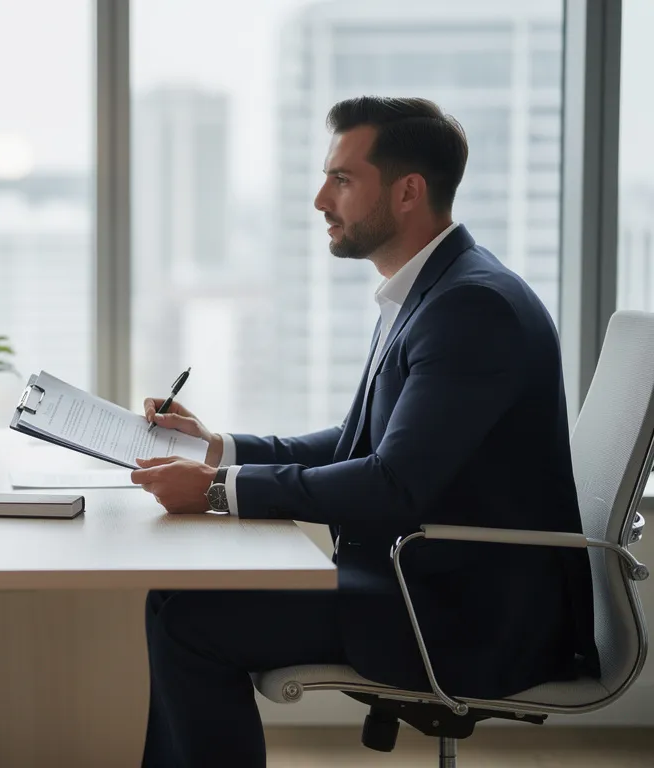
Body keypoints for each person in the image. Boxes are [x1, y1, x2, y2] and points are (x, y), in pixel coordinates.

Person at [129, 97, 598, 768]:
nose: (321, 198)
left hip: (464, 612)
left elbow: (392, 483)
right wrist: (219, 450)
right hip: (428, 582)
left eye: (343, 179)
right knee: (173, 595)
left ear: (408, 192)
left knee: (189, 622)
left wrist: (216, 492)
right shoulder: (432, 291)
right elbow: (358, 443)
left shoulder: (472, 307)